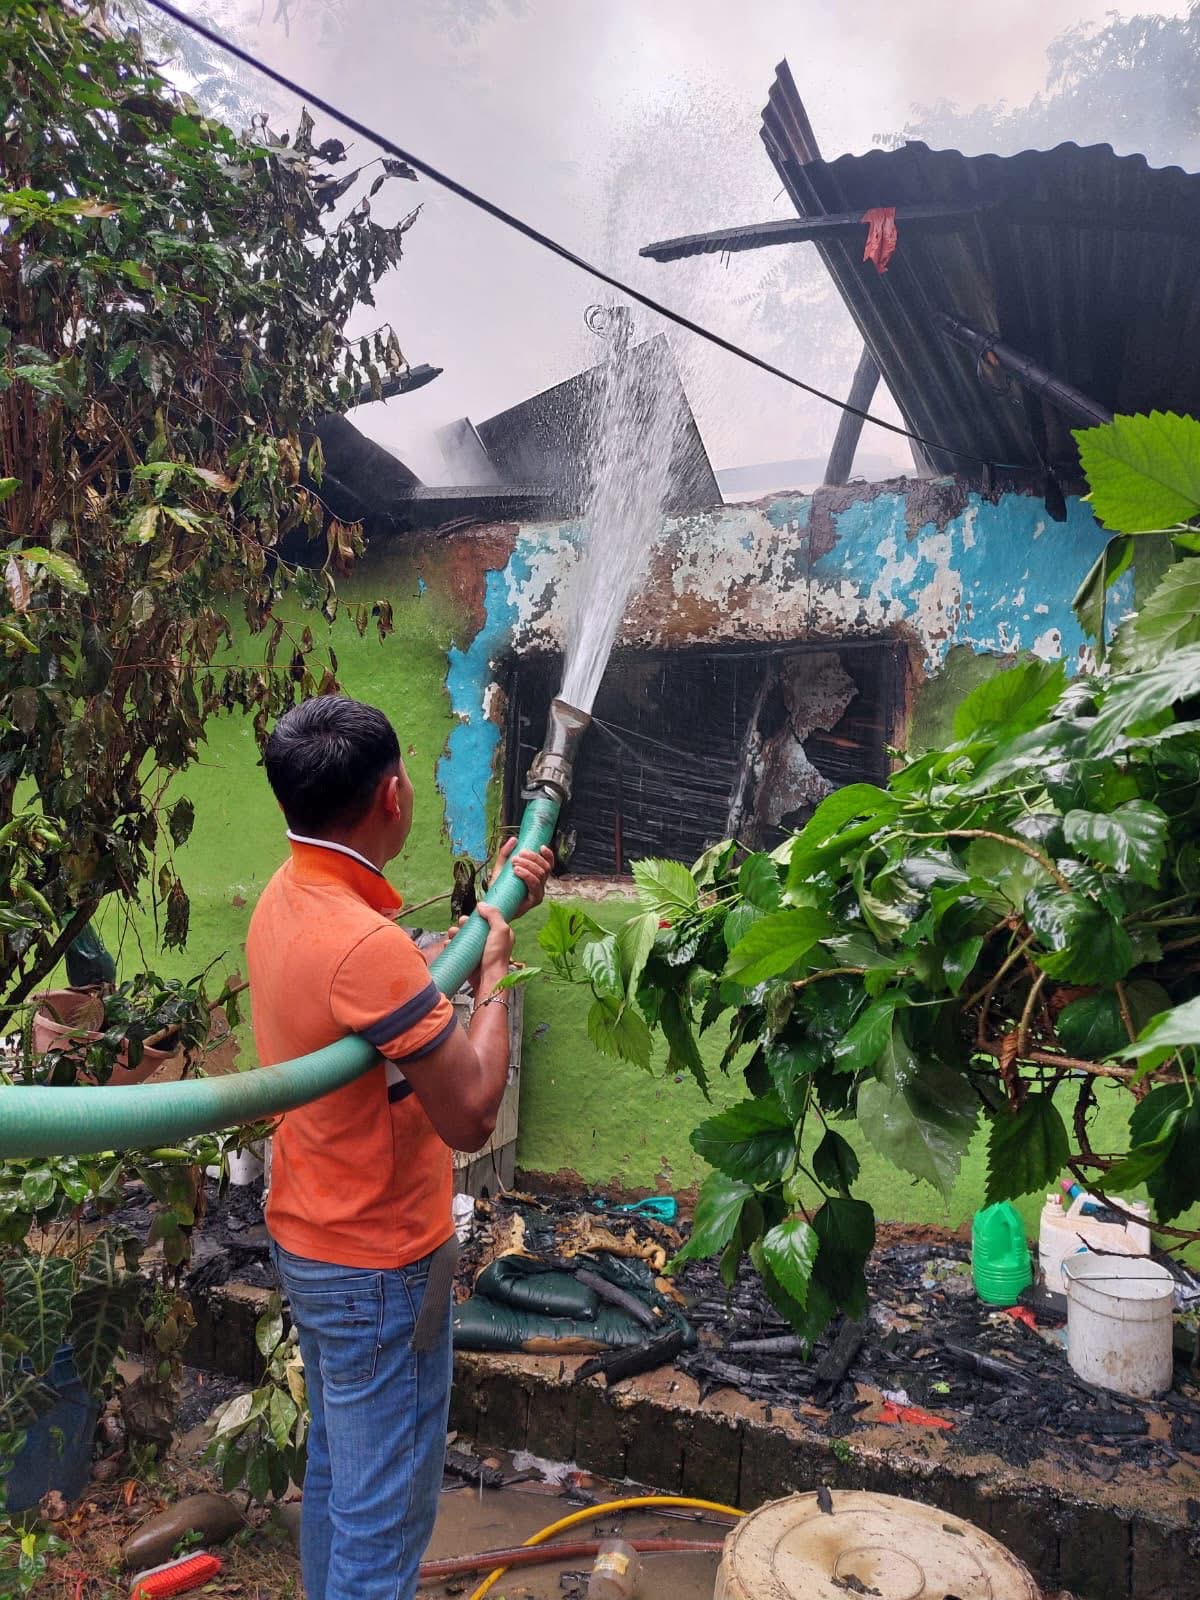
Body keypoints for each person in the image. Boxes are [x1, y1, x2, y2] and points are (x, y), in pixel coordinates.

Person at [246, 695, 553, 1600]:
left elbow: (390, 1000)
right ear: (391, 796)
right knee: (385, 1524)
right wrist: (495, 972)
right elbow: (471, 1114)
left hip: (312, 1238)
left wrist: (496, 904)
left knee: (344, 1481)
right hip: (377, 1266)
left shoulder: (288, 897)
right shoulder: (361, 946)